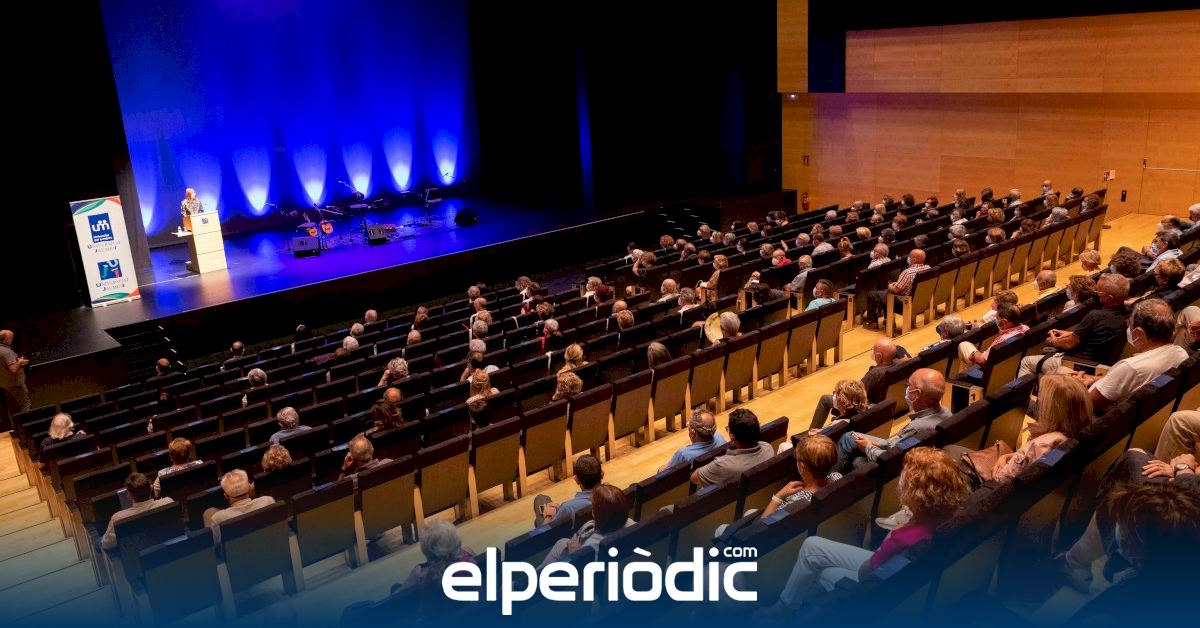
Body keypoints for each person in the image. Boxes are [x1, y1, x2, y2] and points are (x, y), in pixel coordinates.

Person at [761, 447, 970, 616]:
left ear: (916, 492)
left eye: (904, 477)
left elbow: (866, 573)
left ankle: (785, 610)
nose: (900, 481)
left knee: (821, 570)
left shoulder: (902, 536)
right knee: (811, 546)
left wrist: (893, 534)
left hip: (880, 587)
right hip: (905, 574)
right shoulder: (953, 512)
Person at [1077, 299, 1189, 412]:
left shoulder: (1130, 368)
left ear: (1139, 333)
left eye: (1129, 323)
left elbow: (1084, 405)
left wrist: (1075, 385)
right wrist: (1094, 379)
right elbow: (1125, 383)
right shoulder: (1181, 353)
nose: (1128, 327)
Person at [836, 369, 951, 472]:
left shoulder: (916, 428)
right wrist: (874, 444)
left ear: (916, 394)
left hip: (896, 469)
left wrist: (868, 447)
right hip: (904, 452)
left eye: (908, 386)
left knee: (851, 450)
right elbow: (899, 445)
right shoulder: (947, 412)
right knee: (850, 438)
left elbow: (893, 457)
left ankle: (830, 481)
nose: (906, 389)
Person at [1018, 273, 1130, 377]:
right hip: (1102, 362)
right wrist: (1069, 334)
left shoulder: (1095, 316)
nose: (1095, 293)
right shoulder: (1129, 313)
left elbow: (1068, 344)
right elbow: (1091, 334)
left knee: (1026, 362)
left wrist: (1053, 340)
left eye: (1098, 292)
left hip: (1080, 365)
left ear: (1110, 298)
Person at [539, 484, 631, 566]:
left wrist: (575, 553)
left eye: (593, 507)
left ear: (594, 513)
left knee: (540, 500)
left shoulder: (590, 547)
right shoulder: (632, 525)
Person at [761, 434, 842, 517]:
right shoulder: (837, 477)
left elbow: (766, 522)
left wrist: (779, 496)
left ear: (802, 465)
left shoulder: (795, 503)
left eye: (797, 458)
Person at [692, 409, 775, 488]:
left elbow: (694, 478)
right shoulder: (768, 448)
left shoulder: (722, 465)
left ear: (732, 437)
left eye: (728, 429)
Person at [101, 473, 175, 550]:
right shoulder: (168, 502)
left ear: (129, 495)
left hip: (138, 556)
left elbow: (106, 544)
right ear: (151, 488)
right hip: (170, 550)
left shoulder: (118, 518)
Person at [401, 519, 476, 593]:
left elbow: (398, 595)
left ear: (426, 548)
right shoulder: (468, 553)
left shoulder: (420, 574)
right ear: (456, 539)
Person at [204, 469, 276, 544]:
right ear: (250, 488)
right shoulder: (268, 501)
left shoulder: (218, 519)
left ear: (226, 496)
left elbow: (216, 544)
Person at [864, 249, 929, 330]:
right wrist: (897, 284)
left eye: (910, 256)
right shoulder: (927, 268)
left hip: (903, 303)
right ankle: (888, 321)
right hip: (920, 301)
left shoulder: (907, 272)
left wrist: (889, 285)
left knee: (872, 294)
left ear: (914, 260)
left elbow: (896, 290)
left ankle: (873, 324)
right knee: (884, 294)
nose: (908, 257)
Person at [533, 454, 602, 527]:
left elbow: (544, 532)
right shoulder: (608, 496)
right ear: (601, 475)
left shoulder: (568, 508)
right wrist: (561, 508)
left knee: (540, 499)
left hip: (567, 533)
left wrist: (548, 516)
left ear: (576, 479)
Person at [958, 303, 1028, 373]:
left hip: (989, 372)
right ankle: (964, 375)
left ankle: (966, 377)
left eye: (997, 318)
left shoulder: (1003, 339)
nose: (996, 320)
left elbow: (982, 361)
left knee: (964, 345)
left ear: (1004, 322)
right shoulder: (1026, 328)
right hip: (1014, 366)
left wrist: (973, 354)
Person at [661, 409, 727, 471]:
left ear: (692, 433)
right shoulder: (720, 438)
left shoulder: (684, 454)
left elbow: (664, 474)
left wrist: (661, 469)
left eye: (689, 426)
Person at [0, 329, 31, 421]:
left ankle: (16, 427)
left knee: (12, 407)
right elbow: (13, 369)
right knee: (25, 404)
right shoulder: (6, 352)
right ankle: (27, 425)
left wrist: (17, 361)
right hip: (15, 383)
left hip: (4, 384)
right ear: (6, 339)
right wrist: (20, 362)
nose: (12, 340)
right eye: (11, 338)